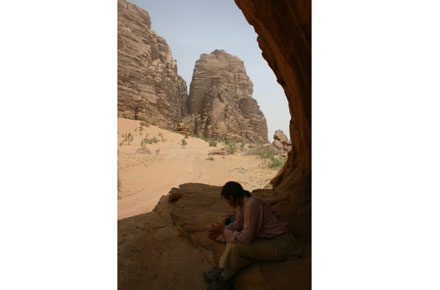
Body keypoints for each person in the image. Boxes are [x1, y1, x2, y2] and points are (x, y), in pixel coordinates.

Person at [205, 181, 302, 290]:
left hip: (283, 244)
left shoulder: (251, 205)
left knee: (237, 248)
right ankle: (222, 269)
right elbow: (239, 223)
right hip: (271, 240)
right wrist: (223, 230)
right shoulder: (243, 203)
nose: (227, 203)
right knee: (232, 241)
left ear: (231, 197)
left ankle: (223, 279)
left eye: (226, 200)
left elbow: (247, 238)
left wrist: (224, 230)